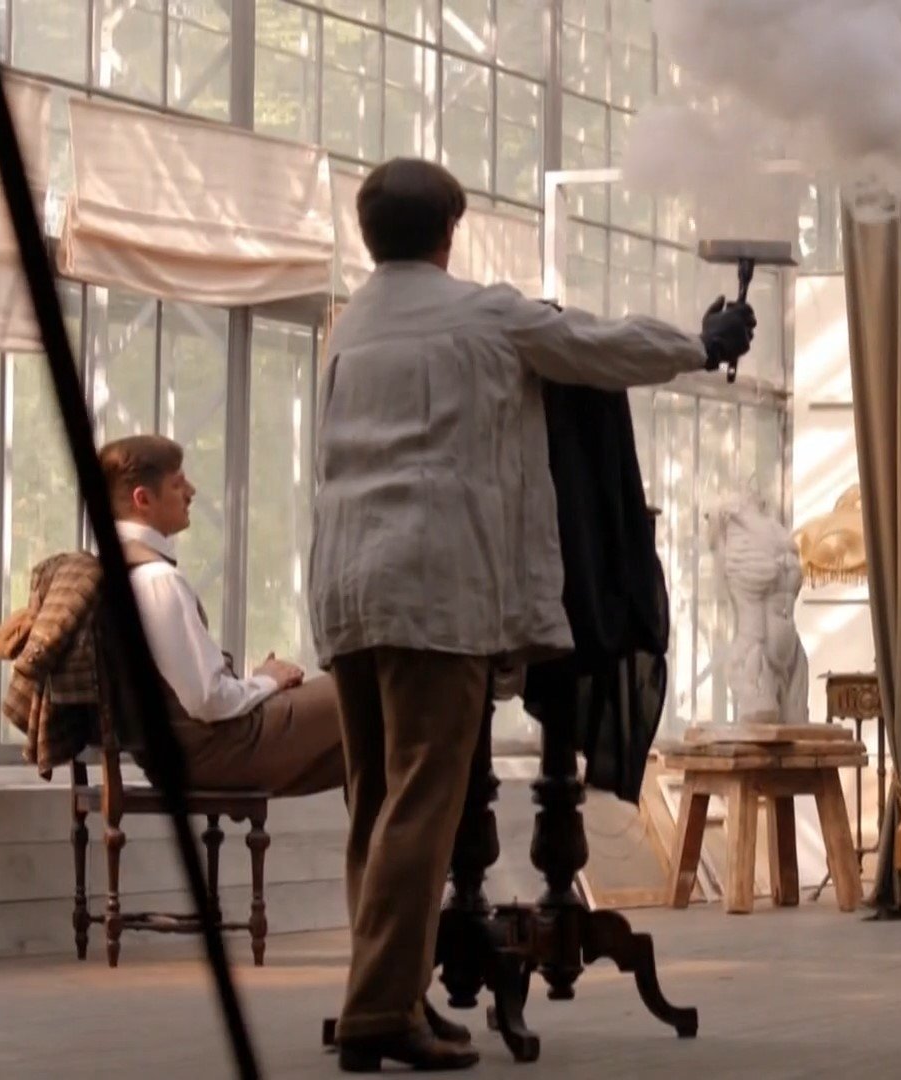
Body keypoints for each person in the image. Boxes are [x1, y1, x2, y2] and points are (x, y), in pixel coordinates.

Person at [311, 157, 756, 1072]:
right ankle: (378, 1014)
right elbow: (598, 347)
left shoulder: (351, 325)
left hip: (348, 585)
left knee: (376, 805)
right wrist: (701, 344)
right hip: (434, 590)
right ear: (449, 234)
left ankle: (390, 992)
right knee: (423, 803)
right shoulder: (481, 314)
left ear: (369, 233)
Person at [97, 435, 345, 798]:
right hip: (215, 750)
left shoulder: (118, 567)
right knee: (368, 688)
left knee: (371, 741)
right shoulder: (156, 580)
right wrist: (267, 681)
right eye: (178, 484)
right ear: (143, 499)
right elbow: (208, 700)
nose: (191, 492)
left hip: (181, 756)